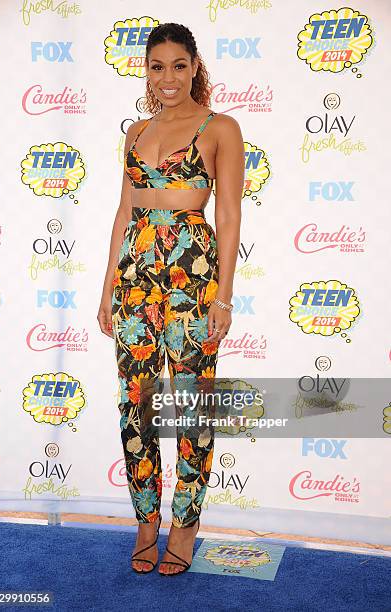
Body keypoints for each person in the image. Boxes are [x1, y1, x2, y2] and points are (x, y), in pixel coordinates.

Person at [97, 22, 244, 576]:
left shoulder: (220, 128)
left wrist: (222, 298)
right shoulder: (135, 133)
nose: (168, 78)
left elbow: (227, 216)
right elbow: (123, 212)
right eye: (157, 67)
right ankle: (145, 518)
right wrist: (109, 287)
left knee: (190, 402)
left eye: (178, 66)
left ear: (194, 66)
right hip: (136, 278)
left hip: (192, 277)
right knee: (135, 402)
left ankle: (185, 522)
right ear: (146, 71)